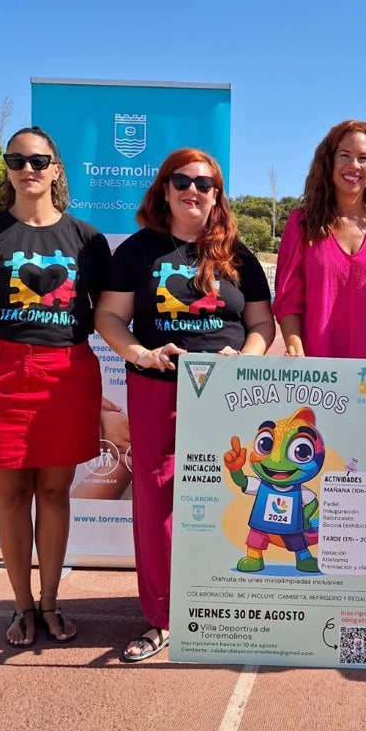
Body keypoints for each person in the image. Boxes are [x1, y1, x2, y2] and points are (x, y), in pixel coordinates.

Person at [94, 148, 275, 662]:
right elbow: (109, 317)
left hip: (228, 395)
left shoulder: (238, 254)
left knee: (235, 494)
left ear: (217, 194)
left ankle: (227, 606)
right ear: (165, 190)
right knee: (157, 503)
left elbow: (263, 324)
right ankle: (163, 617)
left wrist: (243, 358)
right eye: (181, 181)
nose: (192, 190)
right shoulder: (138, 251)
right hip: (159, 388)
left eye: (204, 183)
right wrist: (141, 353)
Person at [0, 125, 110, 647]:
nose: (28, 169)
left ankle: (50, 602)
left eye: (39, 161)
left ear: (56, 170)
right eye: (16, 160)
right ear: (8, 169)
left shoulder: (87, 240)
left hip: (67, 375)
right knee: (12, 496)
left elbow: (111, 315)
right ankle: (21, 608)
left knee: (55, 493)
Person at [273, 120, 366, 460]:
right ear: (329, 163)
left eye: (364, 158)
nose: (354, 166)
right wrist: (295, 349)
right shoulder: (301, 223)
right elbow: (288, 298)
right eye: (345, 155)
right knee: (311, 473)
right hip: (318, 377)